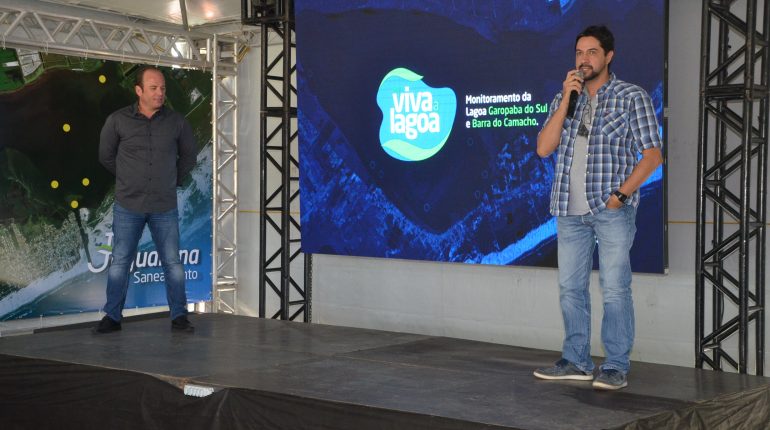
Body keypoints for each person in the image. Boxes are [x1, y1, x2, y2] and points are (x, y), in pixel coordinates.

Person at [532, 25, 663, 390]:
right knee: (570, 289)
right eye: (579, 53)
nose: (584, 59)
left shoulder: (631, 96)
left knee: (615, 288)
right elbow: (543, 148)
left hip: (611, 210)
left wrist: (621, 195)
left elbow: (653, 155)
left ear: (608, 56)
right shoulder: (564, 99)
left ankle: (616, 366)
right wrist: (565, 99)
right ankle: (576, 360)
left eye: (592, 52)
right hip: (568, 209)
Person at [94, 66, 196, 333]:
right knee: (120, 262)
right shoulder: (117, 120)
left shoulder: (177, 122)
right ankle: (112, 317)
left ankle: (179, 316)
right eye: (153, 88)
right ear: (138, 90)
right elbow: (106, 156)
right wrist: (129, 178)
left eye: (162, 88)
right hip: (128, 206)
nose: (160, 93)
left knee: (173, 263)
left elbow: (189, 156)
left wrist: (172, 180)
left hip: (164, 206)